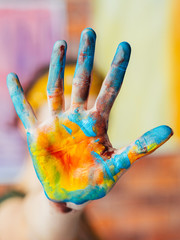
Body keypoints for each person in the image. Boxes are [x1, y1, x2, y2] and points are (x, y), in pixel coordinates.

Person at [0, 28, 173, 240]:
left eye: (93, 116)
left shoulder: (81, 207)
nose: (83, 130)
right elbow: (33, 229)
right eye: (67, 100)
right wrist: (60, 204)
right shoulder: (9, 210)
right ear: (26, 118)